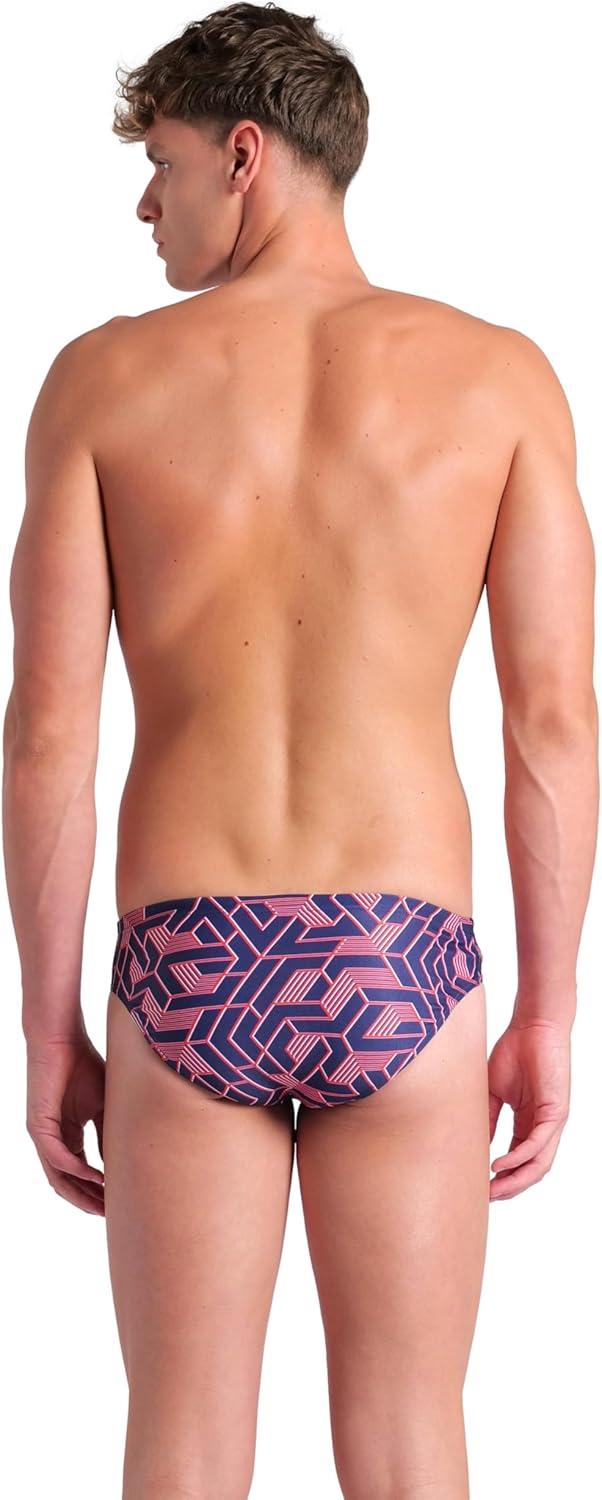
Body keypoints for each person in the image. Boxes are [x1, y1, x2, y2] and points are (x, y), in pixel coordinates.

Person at [2, 4, 598, 1498]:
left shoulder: (102, 381)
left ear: (244, 155)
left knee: (182, 1445)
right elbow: (553, 722)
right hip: (403, 960)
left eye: (161, 165)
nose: (147, 206)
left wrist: (50, 1026)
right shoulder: (500, 377)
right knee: (409, 1446)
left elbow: (49, 733)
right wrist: (546, 1009)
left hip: (189, 957)